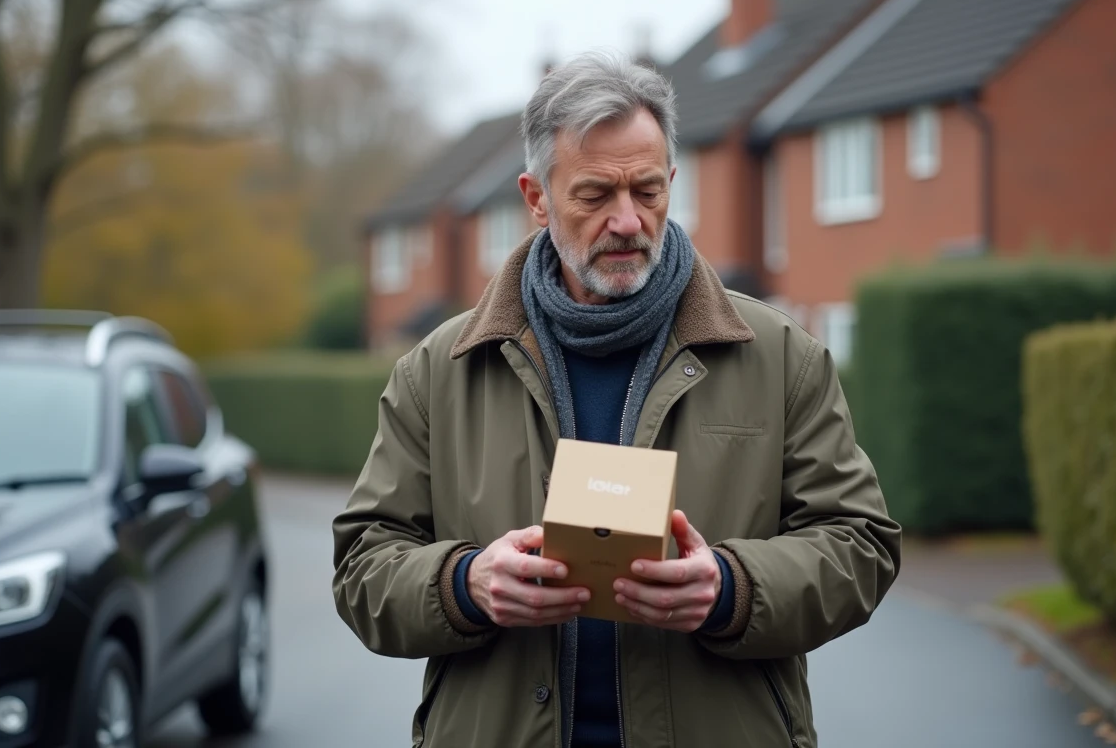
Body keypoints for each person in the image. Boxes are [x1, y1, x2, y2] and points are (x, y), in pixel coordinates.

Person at [332, 51, 900, 748]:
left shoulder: (780, 355)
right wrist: (463, 583)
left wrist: (731, 588)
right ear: (536, 197)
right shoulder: (439, 370)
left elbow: (861, 545)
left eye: (649, 191)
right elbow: (363, 564)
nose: (628, 221)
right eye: (596, 195)